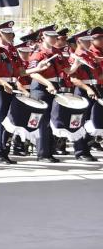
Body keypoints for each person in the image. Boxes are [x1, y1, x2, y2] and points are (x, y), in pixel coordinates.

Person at [28, 30, 81, 162]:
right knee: (43, 122)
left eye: (55, 37)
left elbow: (67, 70)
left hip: (53, 87)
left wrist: (77, 63)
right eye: (50, 36)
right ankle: (42, 154)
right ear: (43, 37)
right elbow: (33, 73)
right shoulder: (38, 52)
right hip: (41, 87)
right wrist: (47, 84)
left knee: (50, 121)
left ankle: (49, 152)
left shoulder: (56, 53)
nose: (53, 39)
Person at [67, 32, 99, 161]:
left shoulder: (89, 55)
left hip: (93, 89)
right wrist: (87, 89)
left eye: (89, 40)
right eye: (86, 41)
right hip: (82, 90)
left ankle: (86, 149)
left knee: (90, 122)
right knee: (79, 122)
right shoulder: (74, 56)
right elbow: (73, 78)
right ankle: (80, 151)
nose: (89, 43)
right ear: (79, 42)